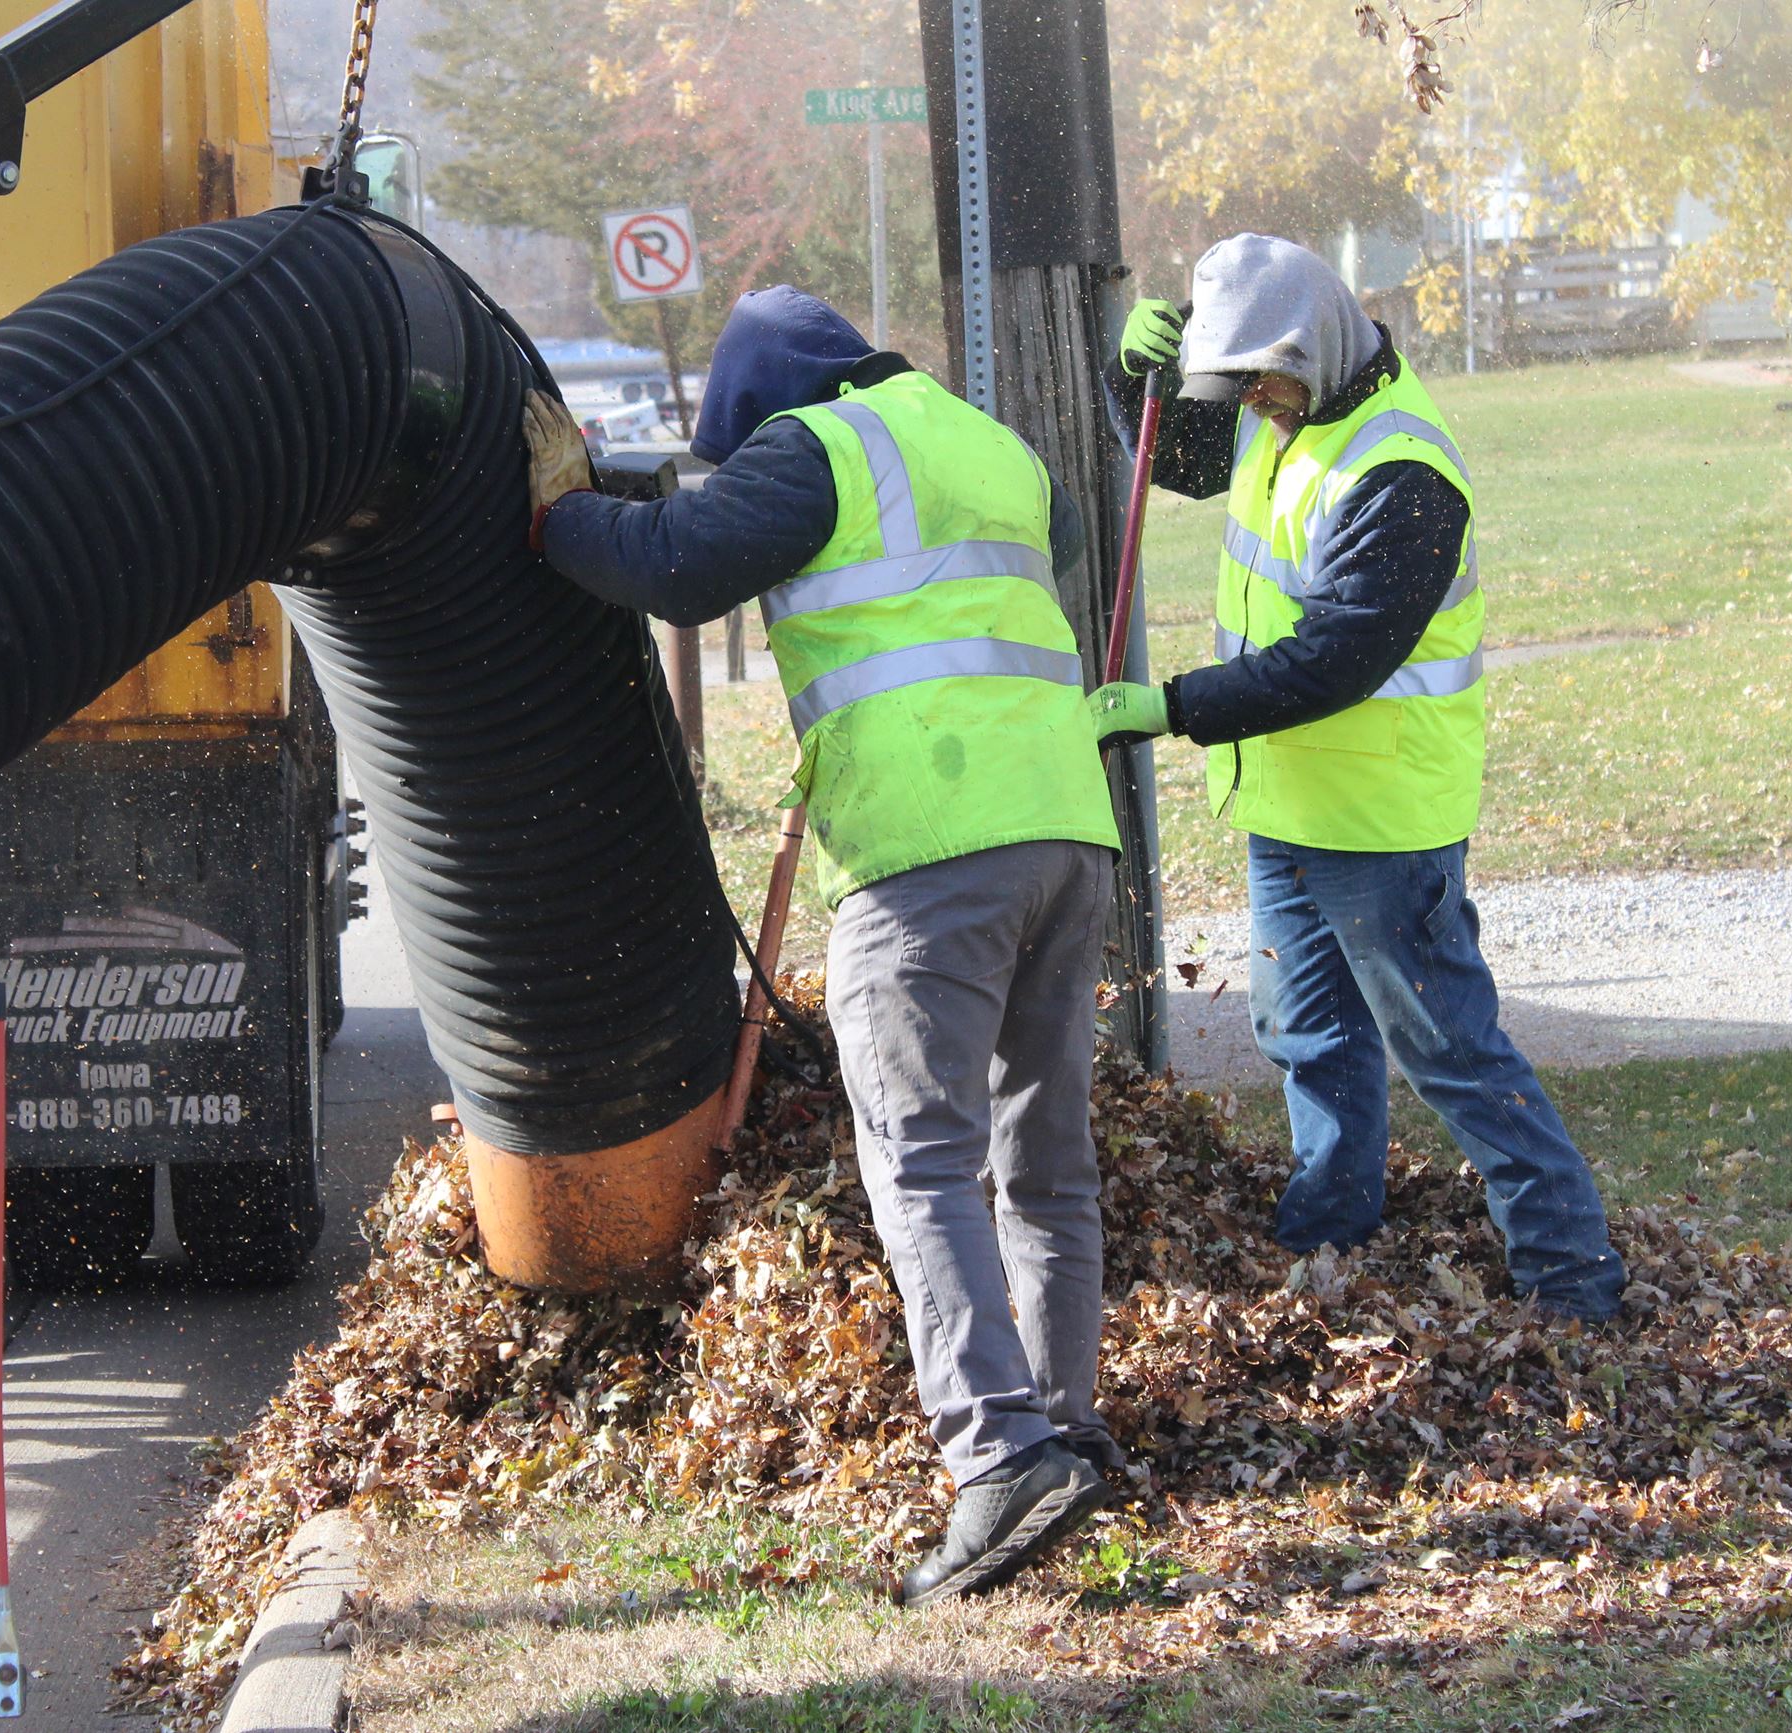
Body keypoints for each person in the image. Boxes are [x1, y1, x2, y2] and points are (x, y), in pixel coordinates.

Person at [522, 287, 1122, 1602]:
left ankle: (1000, 1456)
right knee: (1045, 1154)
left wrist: (562, 513)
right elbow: (1047, 548)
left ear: (757, 409)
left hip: (928, 850)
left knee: (922, 1158)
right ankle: (1069, 1428)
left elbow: (676, 565)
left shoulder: (813, 450)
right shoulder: (982, 439)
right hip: (1068, 830)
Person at [1092, 234, 1628, 1323]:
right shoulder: (1289, 412)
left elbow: (1335, 655)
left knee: (1449, 1050)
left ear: (1312, 346)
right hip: (1289, 805)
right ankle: (1327, 1230)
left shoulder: (1400, 470)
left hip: (1381, 822)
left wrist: (1173, 706)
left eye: (1261, 381)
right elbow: (1180, 462)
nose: (1254, 404)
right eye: (1237, 383)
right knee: (1304, 1033)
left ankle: (1572, 1279)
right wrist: (1133, 379)